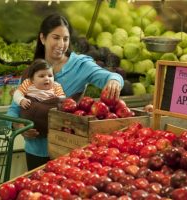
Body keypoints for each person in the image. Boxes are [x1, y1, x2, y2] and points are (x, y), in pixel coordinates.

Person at [7, 13, 124, 171]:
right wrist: (18, 125)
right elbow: (13, 109)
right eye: (56, 37)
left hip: (68, 151)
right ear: (43, 38)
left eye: (65, 39)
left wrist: (115, 81)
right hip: (35, 151)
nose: (61, 44)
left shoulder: (80, 65)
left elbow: (110, 76)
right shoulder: (33, 69)